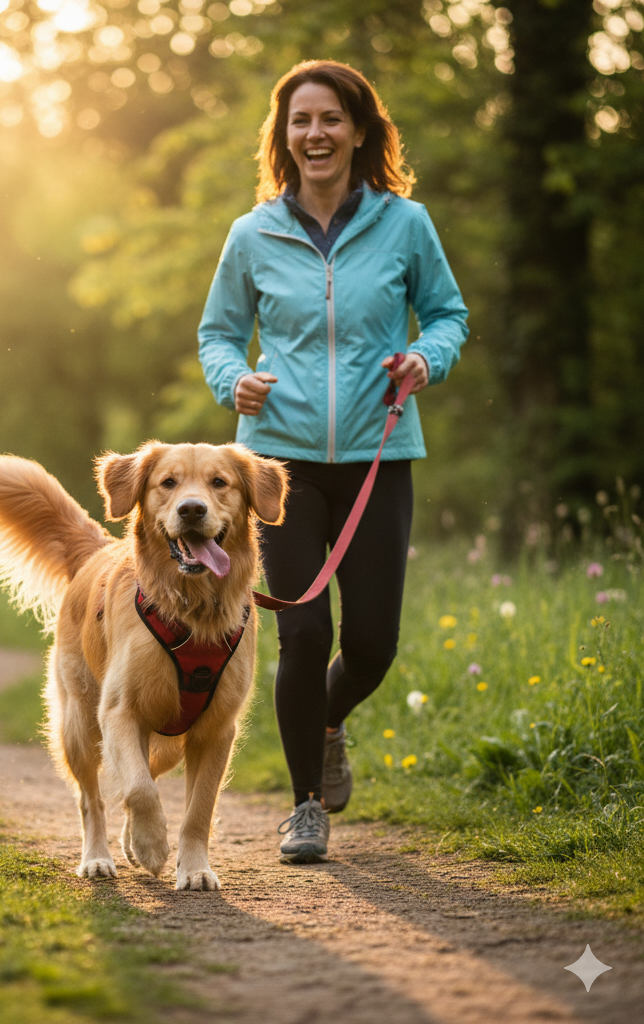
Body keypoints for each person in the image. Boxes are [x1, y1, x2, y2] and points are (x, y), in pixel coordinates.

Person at [197, 60, 468, 862]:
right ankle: (305, 805)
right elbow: (218, 333)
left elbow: (448, 315)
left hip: (379, 452)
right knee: (304, 630)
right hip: (277, 463)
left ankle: (326, 720)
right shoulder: (253, 234)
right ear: (283, 137)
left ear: (359, 130)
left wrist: (425, 359)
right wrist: (232, 379)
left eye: (331, 119)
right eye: (300, 121)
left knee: (375, 644)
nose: (315, 134)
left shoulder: (405, 225)